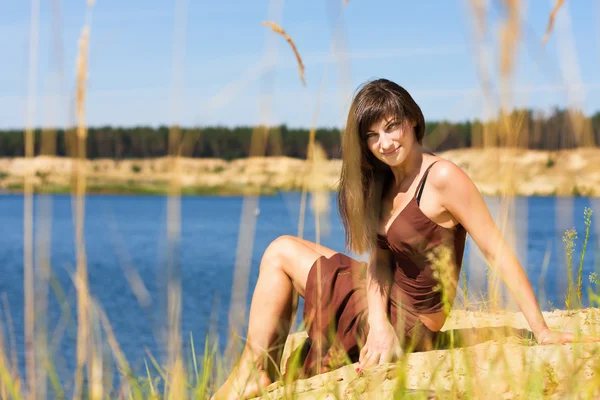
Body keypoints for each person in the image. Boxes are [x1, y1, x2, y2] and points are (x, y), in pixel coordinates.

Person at [211, 78, 583, 399]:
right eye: (372, 136)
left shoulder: (442, 178)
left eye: (391, 127)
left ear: (413, 120)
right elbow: (379, 260)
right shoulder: (387, 181)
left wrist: (542, 331)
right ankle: (259, 366)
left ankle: (254, 369)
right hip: (387, 310)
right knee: (288, 247)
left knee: (279, 252)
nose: (384, 143)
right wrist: (378, 323)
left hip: (413, 324)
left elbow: (497, 251)